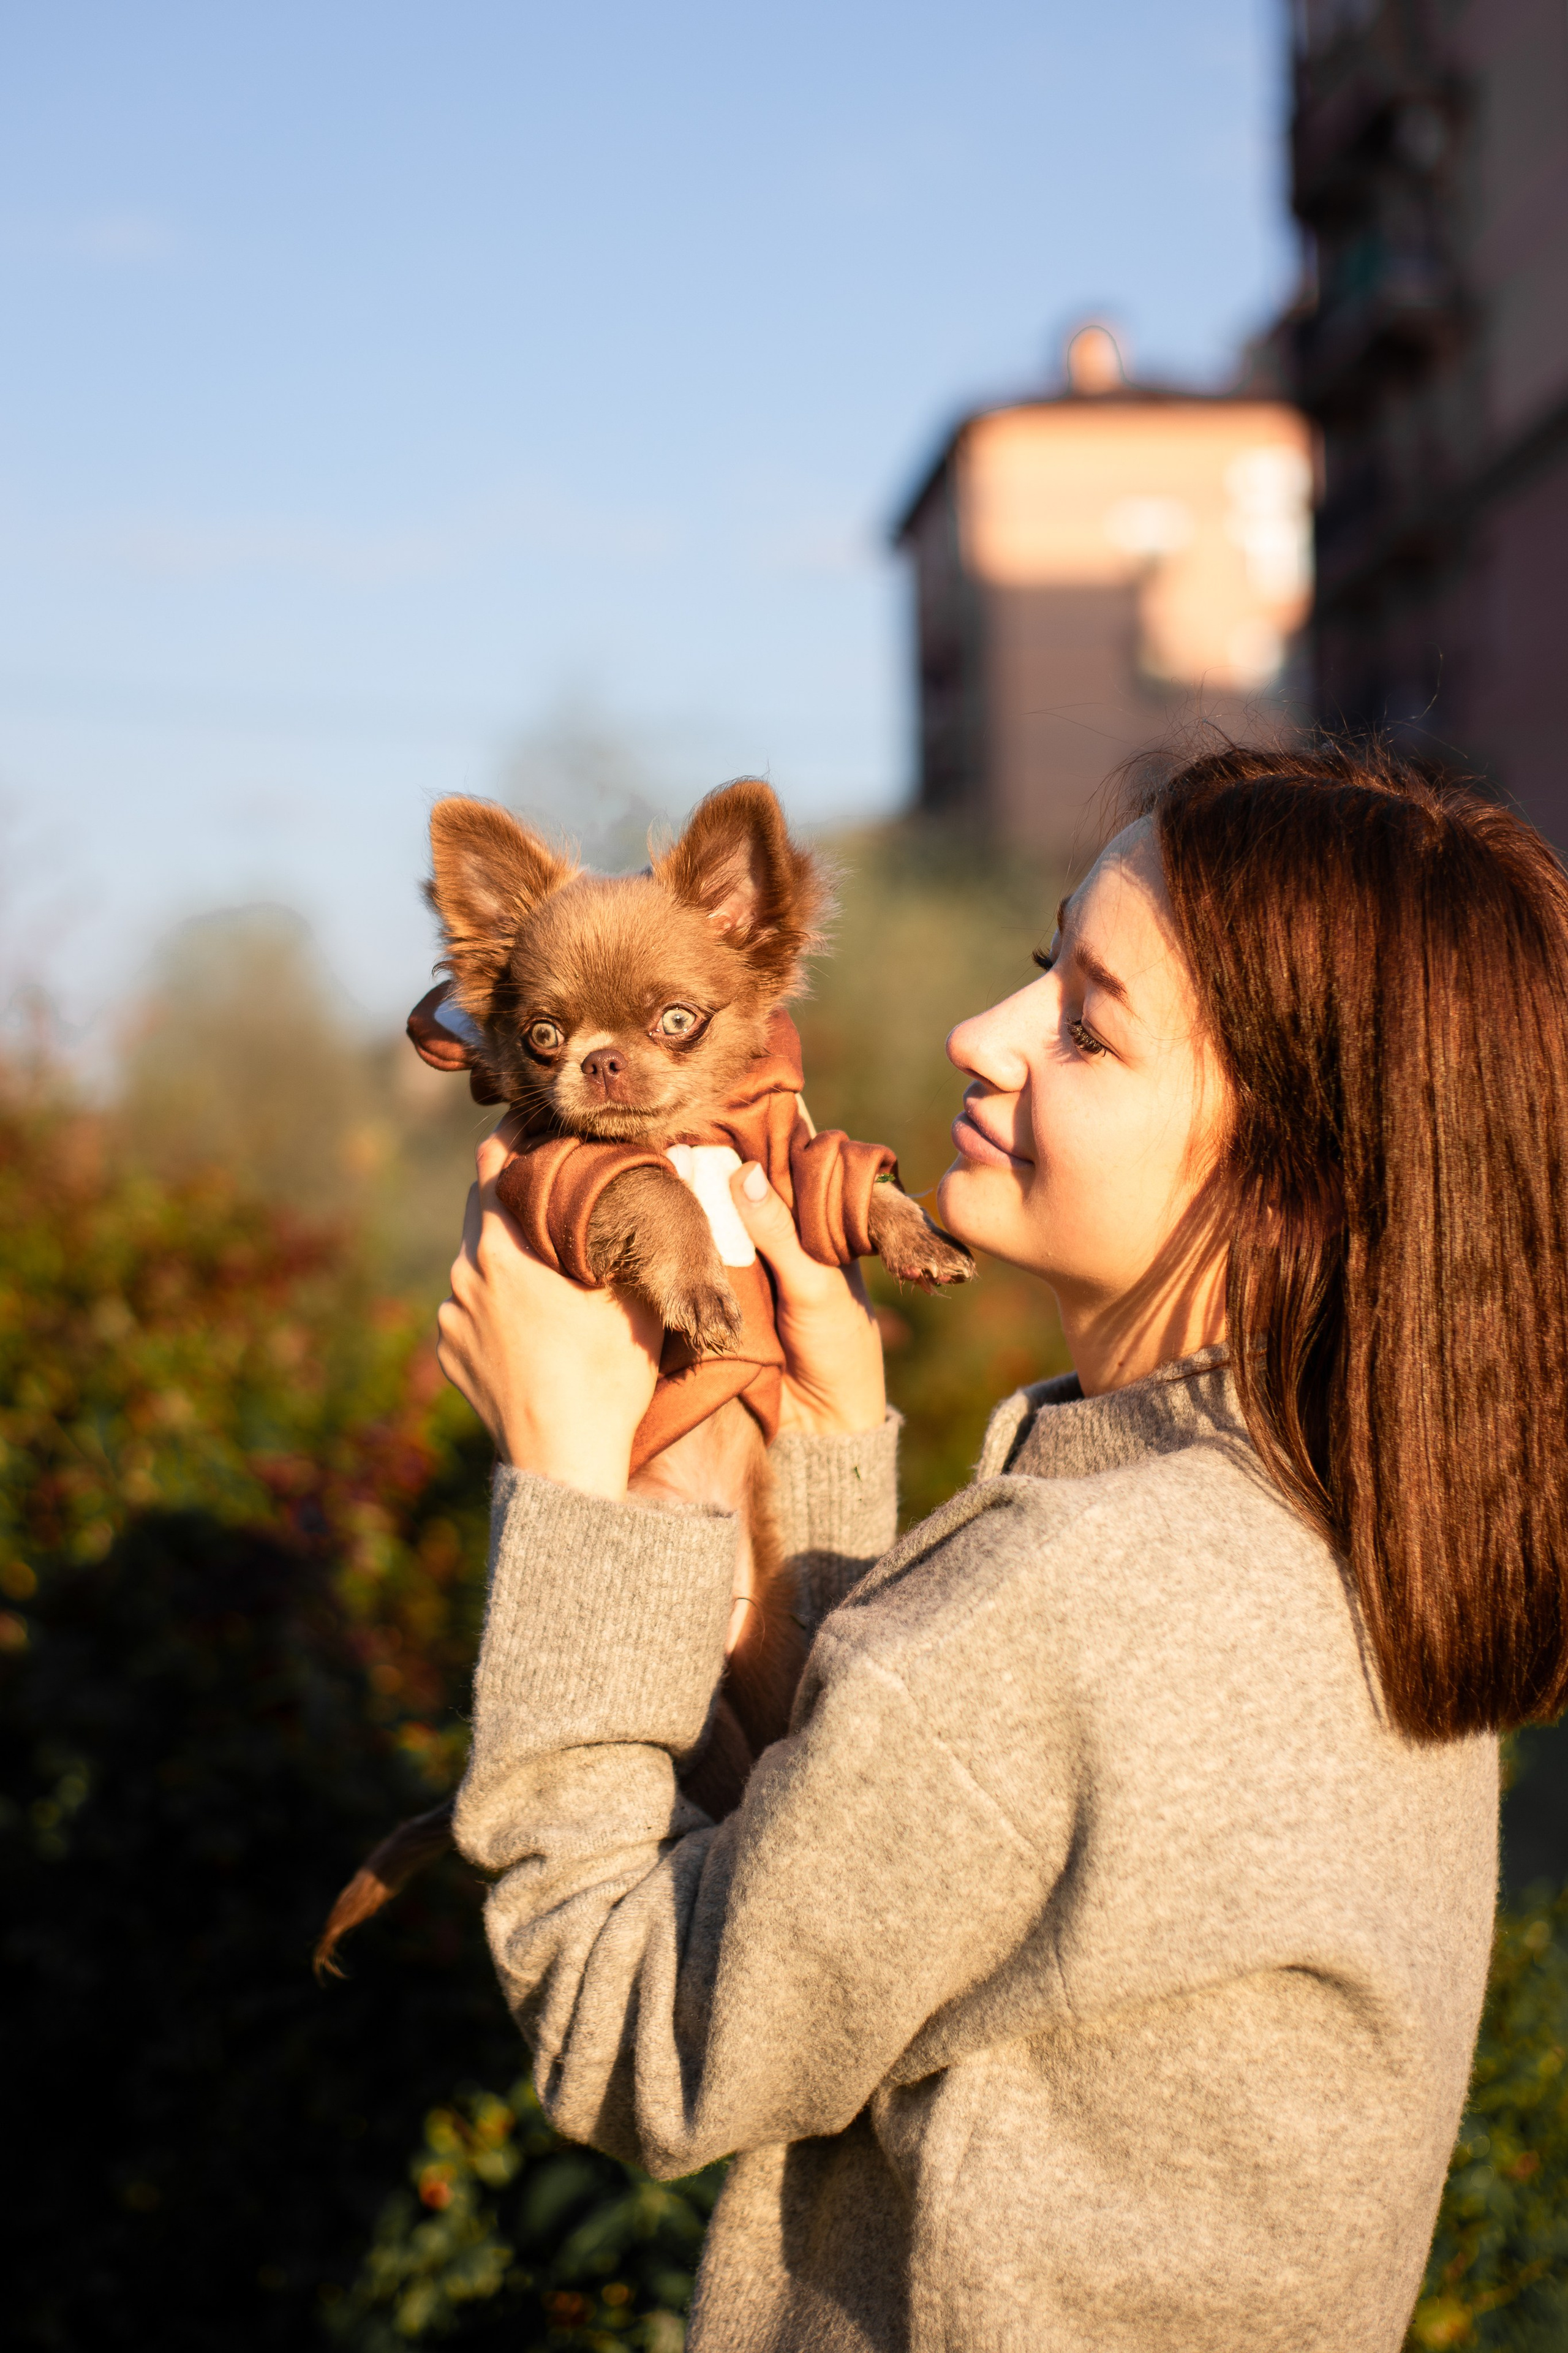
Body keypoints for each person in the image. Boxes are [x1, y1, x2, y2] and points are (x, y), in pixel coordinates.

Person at [434, 744, 1568, 2351]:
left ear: (1296, 1171)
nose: (982, 1031)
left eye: (1086, 1020)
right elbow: (886, 1858)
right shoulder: (1336, 1517)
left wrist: (567, 1482)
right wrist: (822, 1459)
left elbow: (632, 2033)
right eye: (1044, 965)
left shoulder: (1089, 1593)